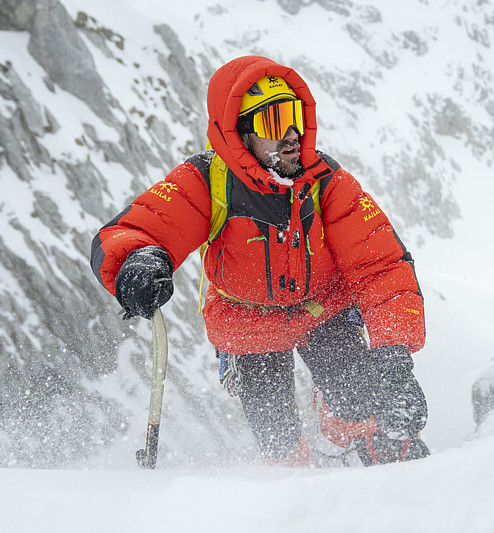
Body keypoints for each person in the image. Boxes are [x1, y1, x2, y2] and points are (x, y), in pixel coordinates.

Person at [90, 55, 429, 467]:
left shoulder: (325, 181)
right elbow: (136, 230)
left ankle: (368, 453)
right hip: (245, 322)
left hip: (324, 308)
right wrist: (138, 260)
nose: (290, 135)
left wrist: (393, 357)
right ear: (240, 135)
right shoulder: (207, 180)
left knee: (365, 407)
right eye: (271, 122)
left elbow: (382, 266)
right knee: (279, 440)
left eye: (293, 117)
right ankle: (299, 500)